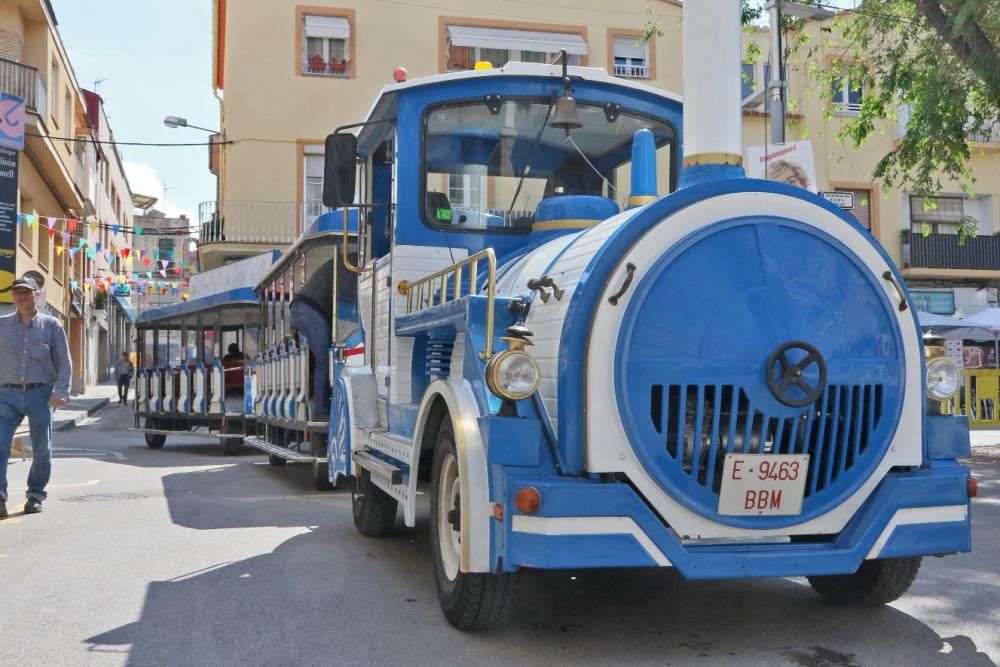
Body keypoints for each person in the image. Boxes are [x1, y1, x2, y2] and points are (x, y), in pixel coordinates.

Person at [0, 276, 71, 519]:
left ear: (36, 296)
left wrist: (61, 391)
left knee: (42, 448)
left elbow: (64, 363)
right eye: (17, 292)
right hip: (6, 395)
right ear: (13, 297)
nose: (21, 296)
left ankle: (35, 495)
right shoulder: (1, 325)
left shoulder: (52, 325)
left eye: (26, 292)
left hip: (41, 394)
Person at [290, 259, 334, 420]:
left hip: (310, 307)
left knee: (327, 356)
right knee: (325, 359)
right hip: (308, 308)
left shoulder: (349, 262)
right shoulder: (351, 265)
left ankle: (325, 404)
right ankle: (320, 411)